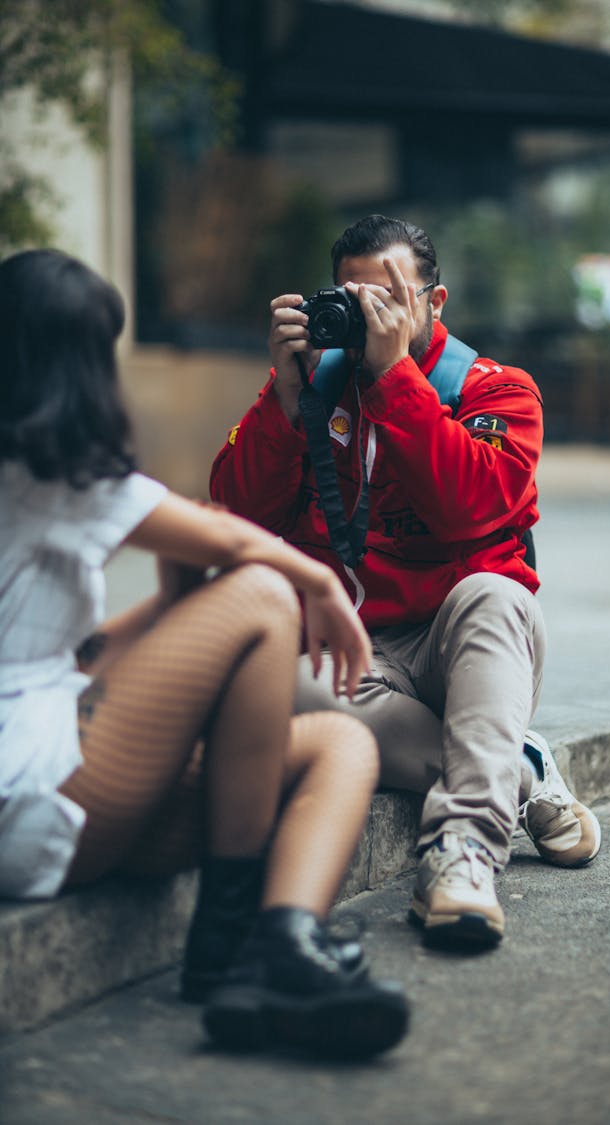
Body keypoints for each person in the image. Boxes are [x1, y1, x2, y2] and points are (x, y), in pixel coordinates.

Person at [0, 248, 410, 1059]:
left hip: (52, 767)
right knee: (261, 591)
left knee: (339, 741)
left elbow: (112, 632)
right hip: (29, 790)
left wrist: (190, 602)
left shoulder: (43, 483)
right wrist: (318, 588)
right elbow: (228, 537)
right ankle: (225, 953)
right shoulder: (43, 472)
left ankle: (282, 943)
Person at [210, 214, 601, 952]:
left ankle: (463, 855)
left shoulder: (498, 391)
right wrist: (284, 406)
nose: (369, 315)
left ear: (436, 300)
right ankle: (516, 767)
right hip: (352, 652)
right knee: (289, 686)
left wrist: (396, 380)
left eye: (389, 296)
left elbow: (467, 506)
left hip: (462, 652)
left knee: (497, 595)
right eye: (352, 297)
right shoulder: (312, 390)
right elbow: (235, 514)